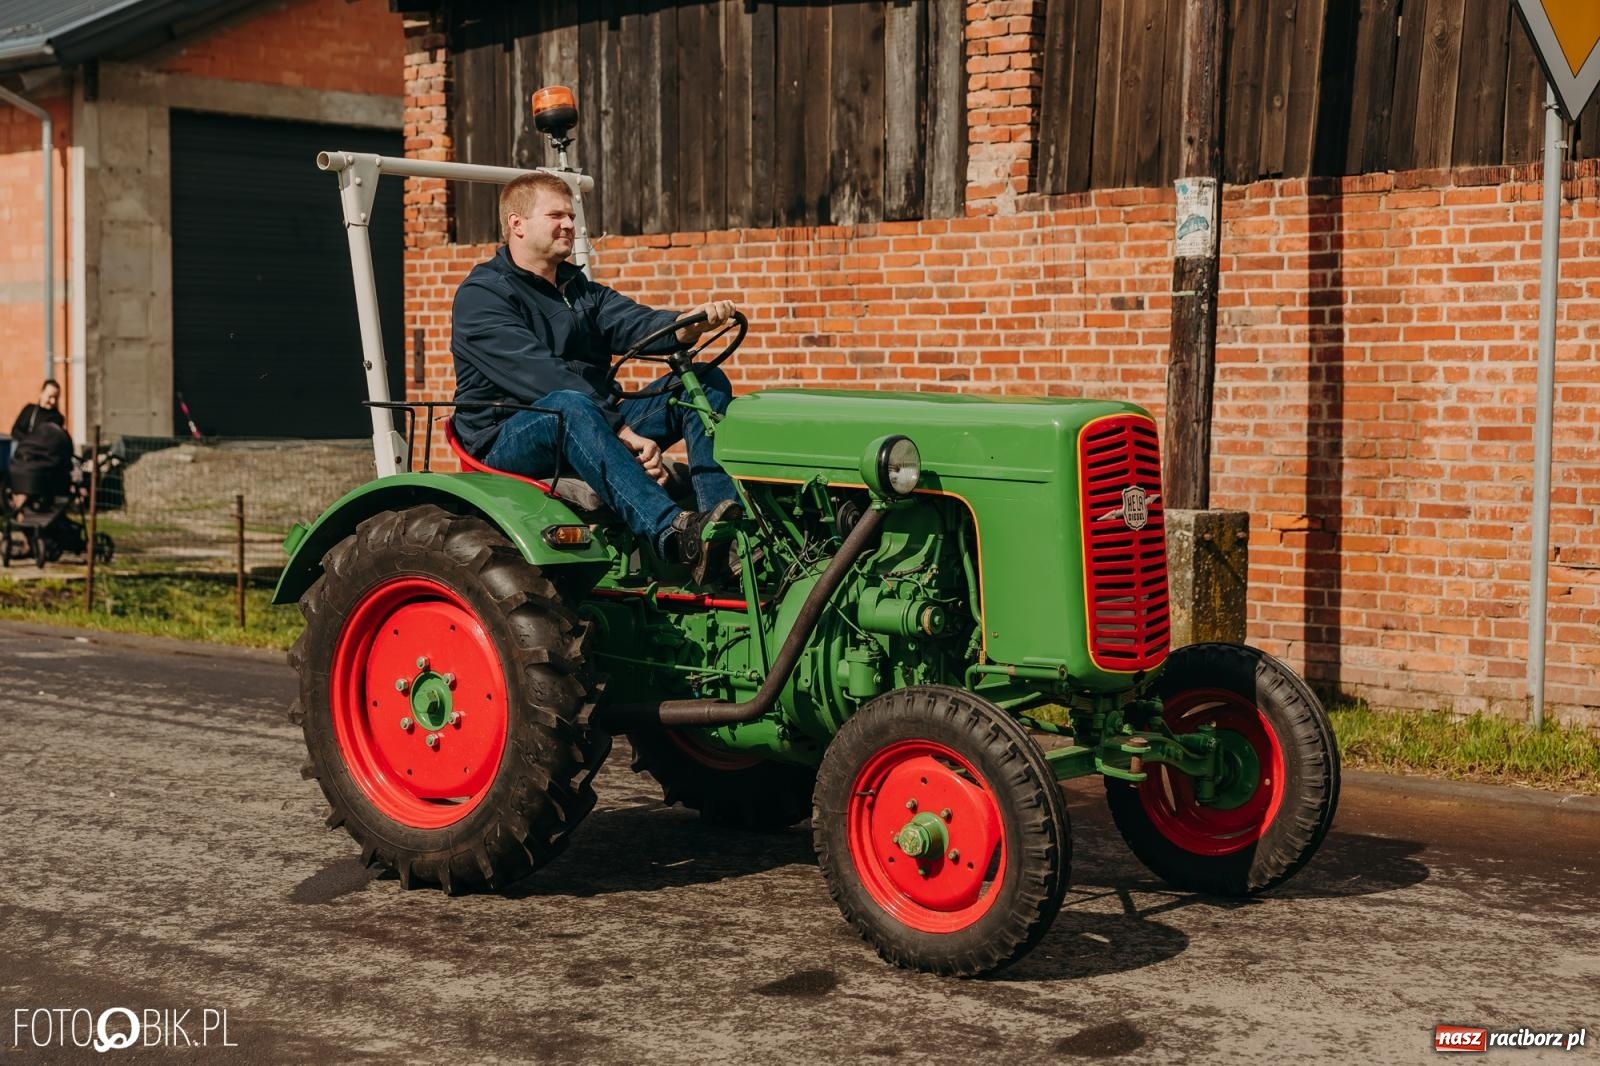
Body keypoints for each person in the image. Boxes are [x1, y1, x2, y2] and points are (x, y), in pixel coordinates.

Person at [451, 171, 742, 583]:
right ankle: (673, 534)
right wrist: (622, 431)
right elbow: (541, 375)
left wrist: (684, 324)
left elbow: (634, 323)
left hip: (589, 419)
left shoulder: (578, 289)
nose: (569, 224)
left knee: (703, 381)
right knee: (569, 405)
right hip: (505, 436)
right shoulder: (483, 295)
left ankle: (721, 535)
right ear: (516, 224)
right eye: (556, 215)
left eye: (571, 215)